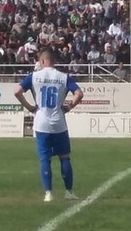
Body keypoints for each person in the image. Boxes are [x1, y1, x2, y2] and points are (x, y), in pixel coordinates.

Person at [15, 47, 84, 202]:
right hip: (59, 121)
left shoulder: (34, 76)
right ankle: (68, 192)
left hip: (41, 122)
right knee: (64, 157)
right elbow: (79, 93)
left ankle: (48, 193)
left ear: (43, 61)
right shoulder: (64, 77)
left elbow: (17, 91)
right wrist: (69, 106)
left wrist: (29, 107)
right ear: (54, 61)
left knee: (45, 159)